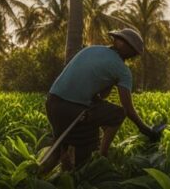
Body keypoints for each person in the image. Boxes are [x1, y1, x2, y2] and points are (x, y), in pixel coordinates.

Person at [41, 28, 161, 172]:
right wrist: (147, 130)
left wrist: (109, 83)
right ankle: (102, 155)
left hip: (52, 103)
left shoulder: (92, 50)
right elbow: (128, 110)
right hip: (74, 110)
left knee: (58, 149)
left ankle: (35, 178)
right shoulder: (122, 70)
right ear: (132, 52)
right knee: (117, 115)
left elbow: (99, 96)